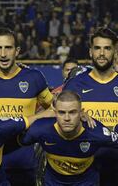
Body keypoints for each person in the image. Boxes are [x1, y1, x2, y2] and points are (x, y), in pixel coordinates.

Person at [0, 27, 54, 186]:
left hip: (24, 164)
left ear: (17, 51)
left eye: (8, 48)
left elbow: (55, 108)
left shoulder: (34, 78)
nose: (3, 54)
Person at [19, 90, 118, 185]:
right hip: (53, 181)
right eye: (61, 112)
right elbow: (15, 142)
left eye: (72, 112)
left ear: (81, 112)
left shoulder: (97, 132)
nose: (67, 118)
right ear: (55, 112)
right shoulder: (40, 129)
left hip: (86, 182)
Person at [63, 27, 118, 186]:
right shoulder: (75, 84)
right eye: (97, 48)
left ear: (114, 52)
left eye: (107, 48)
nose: (102, 53)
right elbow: (57, 120)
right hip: (82, 167)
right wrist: (75, 115)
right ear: (90, 52)